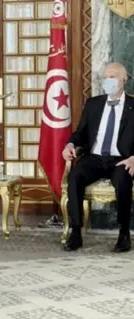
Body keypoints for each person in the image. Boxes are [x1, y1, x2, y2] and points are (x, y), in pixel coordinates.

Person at [63, 62, 134, 253]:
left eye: (113, 77)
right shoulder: (93, 104)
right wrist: (70, 144)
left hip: (121, 159)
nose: (108, 81)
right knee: (76, 175)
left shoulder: (132, 106)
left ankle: (124, 234)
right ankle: (76, 232)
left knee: (122, 179)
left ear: (123, 80)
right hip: (94, 157)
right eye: (106, 77)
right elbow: (80, 133)